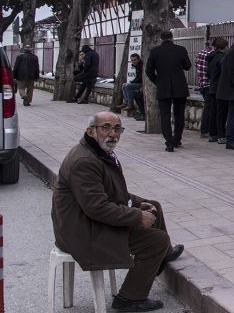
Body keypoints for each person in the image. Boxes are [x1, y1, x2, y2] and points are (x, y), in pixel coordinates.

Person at [51, 111, 184, 312]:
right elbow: (97, 207)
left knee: (153, 205)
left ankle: (162, 257)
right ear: (91, 130)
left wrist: (138, 204)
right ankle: (129, 298)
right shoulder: (84, 161)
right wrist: (136, 216)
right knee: (156, 240)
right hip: (81, 231)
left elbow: (111, 192)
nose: (113, 134)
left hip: (88, 222)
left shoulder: (97, 152)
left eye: (117, 129)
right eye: (106, 128)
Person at [145, 30, 192, 152]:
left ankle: (169, 142)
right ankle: (177, 139)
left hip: (163, 86)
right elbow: (188, 66)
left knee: (165, 115)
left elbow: (148, 70)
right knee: (179, 114)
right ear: (172, 38)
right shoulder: (181, 49)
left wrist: (158, 81)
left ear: (161, 38)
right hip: (180, 86)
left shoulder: (155, 51)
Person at [204, 37, 229, 143]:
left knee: (213, 111)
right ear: (225, 47)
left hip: (212, 86)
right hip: (220, 87)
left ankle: (212, 134)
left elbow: (208, 73)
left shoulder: (211, 57)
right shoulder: (222, 58)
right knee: (221, 113)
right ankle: (221, 135)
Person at [196, 41, 214, 138]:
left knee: (207, 107)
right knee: (209, 108)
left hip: (201, 84)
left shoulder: (200, 53)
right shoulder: (211, 54)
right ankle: (205, 130)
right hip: (209, 84)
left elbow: (196, 66)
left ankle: (205, 129)